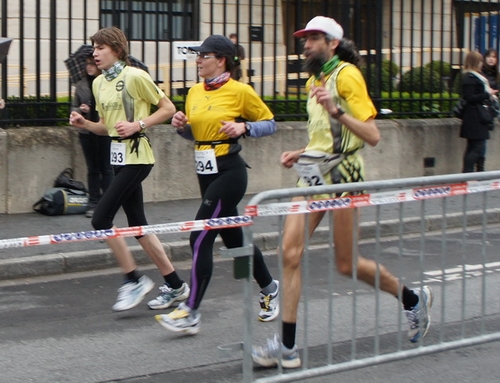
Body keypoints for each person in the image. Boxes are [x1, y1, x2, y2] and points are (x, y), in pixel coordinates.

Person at [251, 16, 433, 369]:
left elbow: (372, 135)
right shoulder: (313, 81)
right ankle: (286, 347)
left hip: (345, 176)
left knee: (347, 264)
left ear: (332, 43)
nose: (306, 45)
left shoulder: (348, 75)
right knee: (289, 252)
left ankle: (412, 299)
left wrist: (336, 109)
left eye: (314, 39)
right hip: (313, 175)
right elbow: (324, 137)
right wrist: (299, 152)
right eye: (305, 39)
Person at [154, 35, 279, 335]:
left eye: (203, 55)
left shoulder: (240, 91)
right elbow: (196, 134)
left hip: (230, 172)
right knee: (234, 239)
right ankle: (270, 287)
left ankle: (191, 311)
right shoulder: (195, 92)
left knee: (200, 237)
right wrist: (181, 127)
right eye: (197, 56)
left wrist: (244, 126)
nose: (197, 60)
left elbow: (271, 122)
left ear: (221, 59)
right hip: (205, 170)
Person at [69, 26, 189, 312]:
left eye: (101, 48)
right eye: (93, 48)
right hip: (118, 159)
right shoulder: (98, 84)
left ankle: (133, 279)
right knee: (138, 226)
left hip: (138, 157)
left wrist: (138, 124)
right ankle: (175, 285)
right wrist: (85, 124)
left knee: (100, 220)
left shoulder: (135, 76)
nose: (95, 53)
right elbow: (107, 128)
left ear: (117, 50)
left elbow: (168, 108)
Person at [71, 54, 114, 218]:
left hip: (104, 130)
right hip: (87, 131)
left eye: (92, 64)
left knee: (107, 168)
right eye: (87, 64)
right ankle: (94, 200)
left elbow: (113, 106)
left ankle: (108, 201)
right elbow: (72, 109)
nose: (89, 67)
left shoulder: (108, 83)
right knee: (92, 168)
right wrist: (81, 110)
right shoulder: (81, 85)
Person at [460, 51, 498, 173]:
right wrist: (487, 94)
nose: (482, 64)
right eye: (480, 61)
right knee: (476, 147)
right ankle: (467, 173)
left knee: (474, 146)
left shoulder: (476, 77)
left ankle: (469, 173)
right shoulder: (470, 78)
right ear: (476, 62)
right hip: (474, 117)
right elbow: (470, 97)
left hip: (477, 116)